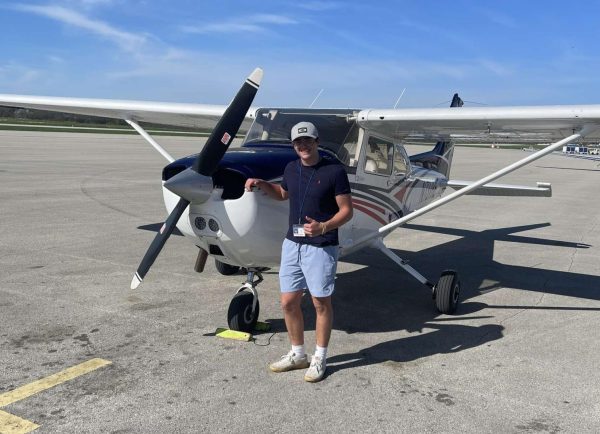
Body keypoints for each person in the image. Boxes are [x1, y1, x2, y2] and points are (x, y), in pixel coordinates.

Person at [244, 121, 353, 382]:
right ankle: (297, 354)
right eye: (298, 142)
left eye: (307, 141)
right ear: (293, 145)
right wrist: (261, 183)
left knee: (320, 303)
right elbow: (283, 193)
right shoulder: (291, 168)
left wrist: (324, 226)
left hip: (321, 246)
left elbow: (347, 211)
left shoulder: (334, 171)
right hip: (292, 244)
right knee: (288, 302)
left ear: (317, 142)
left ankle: (320, 357)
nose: (303, 145)